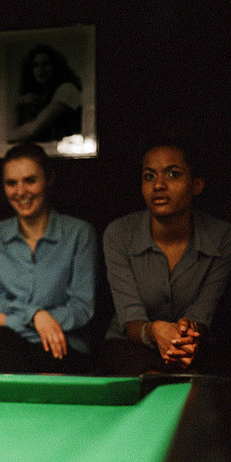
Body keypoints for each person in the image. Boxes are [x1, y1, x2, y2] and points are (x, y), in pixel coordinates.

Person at [99, 140, 231, 376]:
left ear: (197, 185)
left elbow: (202, 314)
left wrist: (180, 338)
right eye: (149, 176)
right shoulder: (118, 233)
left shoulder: (222, 236)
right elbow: (130, 317)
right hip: (131, 348)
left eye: (173, 174)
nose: (159, 185)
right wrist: (155, 331)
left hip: (193, 346)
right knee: (137, 369)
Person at [0, 143, 97, 373]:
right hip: (3, 344)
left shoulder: (79, 233)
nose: (20, 192)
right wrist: (37, 317)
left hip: (61, 343)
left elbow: (82, 307)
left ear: (49, 180)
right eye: (11, 183)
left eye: (30, 181)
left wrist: (14, 319)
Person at [8, 44, 82, 144]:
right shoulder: (40, 95)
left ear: (56, 66)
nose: (40, 70)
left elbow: (34, 129)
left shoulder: (67, 89)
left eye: (46, 64)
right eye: (36, 65)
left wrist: (5, 139)